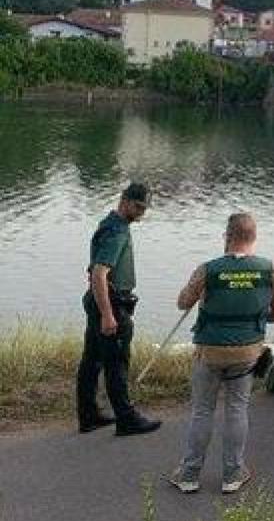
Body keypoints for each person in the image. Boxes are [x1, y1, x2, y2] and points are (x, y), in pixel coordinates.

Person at [168, 213, 274, 495]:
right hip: (247, 354)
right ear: (254, 237)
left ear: (227, 236)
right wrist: (251, 319)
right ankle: (233, 474)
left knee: (202, 411)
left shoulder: (209, 269)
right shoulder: (270, 270)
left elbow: (182, 302)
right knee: (237, 410)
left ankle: (189, 475)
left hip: (210, 352)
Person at [76, 182, 162, 436]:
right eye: (137, 206)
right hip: (111, 304)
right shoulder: (117, 232)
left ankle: (88, 415)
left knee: (91, 360)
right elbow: (100, 274)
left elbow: (94, 272)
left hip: (100, 302)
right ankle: (126, 419)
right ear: (124, 200)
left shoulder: (109, 224)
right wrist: (108, 315)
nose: (141, 213)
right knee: (117, 363)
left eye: (144, 208)